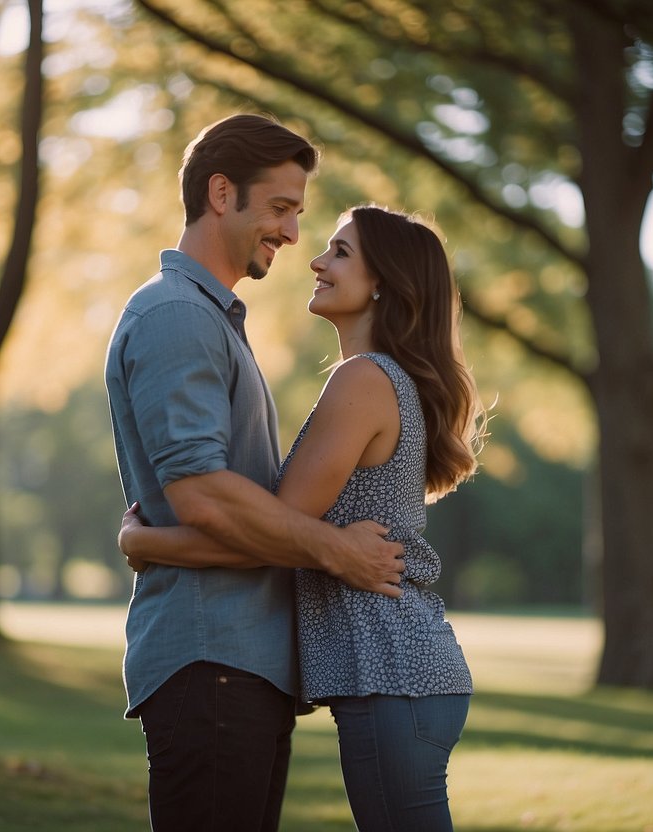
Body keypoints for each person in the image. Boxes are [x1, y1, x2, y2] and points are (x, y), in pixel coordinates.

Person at [120, 205, 485, 832]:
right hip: (405, 675)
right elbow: (290, 534)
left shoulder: (363, 380)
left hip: (390, 672)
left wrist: (147, 540)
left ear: (384, 283)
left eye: (340, 253)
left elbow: (271, 535)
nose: (315, 260)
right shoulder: (379, 380)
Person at [104, 115, 406, 832]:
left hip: (241, 664)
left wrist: (144, 544)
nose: (293, 235)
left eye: (297, 214)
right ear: (219, 193)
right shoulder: (177, 315)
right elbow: (203, 495)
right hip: (211, 660)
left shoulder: (210, 319)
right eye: (279, 208)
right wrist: (337, 550)